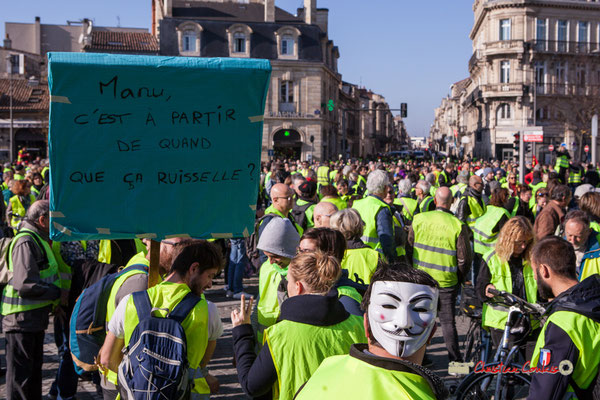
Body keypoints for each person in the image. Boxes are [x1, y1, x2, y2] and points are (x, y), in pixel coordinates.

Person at [294, 264, 447, 400]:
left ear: (365, 324)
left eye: (420, 308)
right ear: (432, 332)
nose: (404, 322)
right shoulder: (419, 394)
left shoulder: (323, 372)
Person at [232, 251, 366, 400]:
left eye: (287, 281)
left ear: (298, 286)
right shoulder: (358, 324)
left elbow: (252, 386)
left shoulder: (280, 335)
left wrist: (242, 332)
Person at [100, 240, 224, 399]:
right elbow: (202, 363)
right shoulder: (207, 310)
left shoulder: (130, 302)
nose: (210, 284)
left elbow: (106, 359)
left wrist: (140, 382)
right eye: (210, 276)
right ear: (194, 268)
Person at [1, 200, 63, 400]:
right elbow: (25, 284)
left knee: (32, 376)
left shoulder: (37, 238)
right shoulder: (27, 241)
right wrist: (56, 294)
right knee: (20, 379)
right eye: (53, 221)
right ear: (43, 220)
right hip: (21, 320)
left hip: (31, 319)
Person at [527, 236, 600, 400]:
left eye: (534, 271)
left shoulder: (564, 322)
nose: (534, 277)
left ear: (544, 270)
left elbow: (547, 390)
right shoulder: (593, 301)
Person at [406, 187, 472, 363]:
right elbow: (464, 259)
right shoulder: (457, 225)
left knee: (419, 321)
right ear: (451, 203)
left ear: (435, 201)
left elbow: (409, 247)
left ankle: (419, 360)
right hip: (446, 282)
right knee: (448, 324)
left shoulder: (419, 219)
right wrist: (459, 277)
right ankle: (456, 365)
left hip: (421, 280)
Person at [476, 216, 539, 359]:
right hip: (503, 322)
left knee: (533, 366)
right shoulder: (491, 258)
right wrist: (487, 289)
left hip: (530, 321)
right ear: (508, 240)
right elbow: (480, 289)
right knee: (509, 367)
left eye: (526, 241)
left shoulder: (533, 257)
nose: (523, 246)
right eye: (518, 243)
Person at [297, 228, 365, 316]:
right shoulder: (310, 287)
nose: (299, 257)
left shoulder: (345, 298)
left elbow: (356, 328)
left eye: (307, 252)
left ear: (329, 256)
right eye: (299, 250)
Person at [255, 218, 301, 344]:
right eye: (267, 256)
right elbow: (260, 300)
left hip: (288, 339)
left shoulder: (301, 272)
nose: (270, 262)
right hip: (265, 339)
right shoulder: (266, 267)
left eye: (274, 256)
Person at [352, 170, 396, 262]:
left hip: (356, 256)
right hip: (375, 260)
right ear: (384, 188)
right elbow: (386, 241)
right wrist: (392, 262)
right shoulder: (382, 208)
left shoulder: (356, 204)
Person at [330, 208, 383, 285]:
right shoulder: (373, 254)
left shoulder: (330, 254)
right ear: (360, 226)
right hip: (365, 295)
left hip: (338, 296)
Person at [472, 188, 511, 257]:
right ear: (504, 198)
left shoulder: (488, 208)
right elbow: (507, 236)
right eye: (507, 196)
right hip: (491, 252)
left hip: (477, 248)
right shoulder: (503, 213)